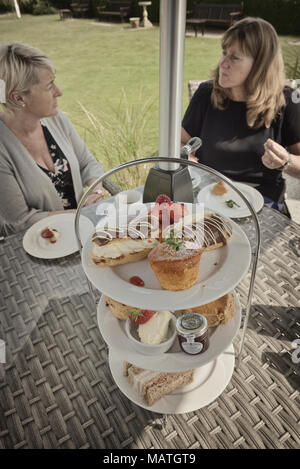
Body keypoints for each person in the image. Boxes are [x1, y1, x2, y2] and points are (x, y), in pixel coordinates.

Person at [181, 17, 300, 212]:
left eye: (234, 58)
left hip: (262, 206)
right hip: (208, 197)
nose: (223, 63)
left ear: (260, 65)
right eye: (224, 53)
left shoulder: (286, 101)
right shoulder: (206, 94)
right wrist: (188, 159)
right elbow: (183, 142)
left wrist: (286, 160)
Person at [0, 42, 105, 235]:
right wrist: (82, 214)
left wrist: (95, 191)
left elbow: (87, 163)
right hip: (40, 251)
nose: (59, 91)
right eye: (49, 87)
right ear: (19, 99)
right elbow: (19, 221)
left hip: (85, 231)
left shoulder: (56, 119)